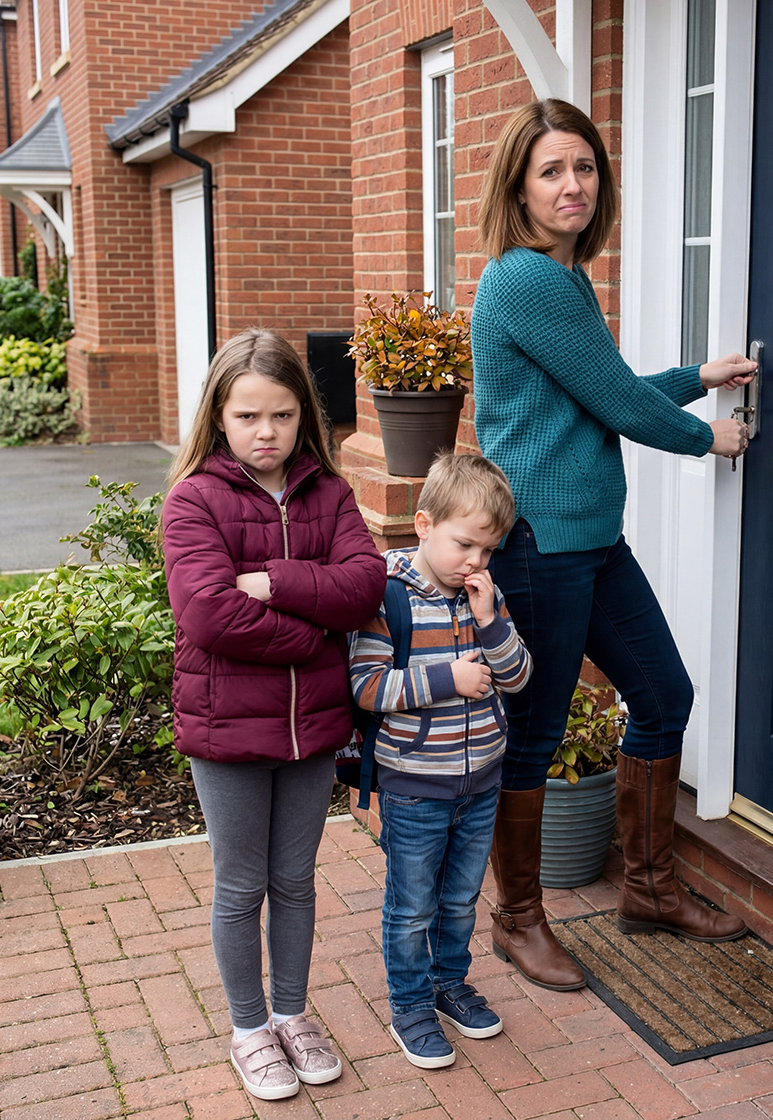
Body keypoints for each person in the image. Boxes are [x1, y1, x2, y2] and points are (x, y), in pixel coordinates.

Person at [470, 98, 756, 992]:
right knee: (535, 733)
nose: (573, 185)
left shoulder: (560, 281)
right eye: (552, 169)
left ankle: (648, 888)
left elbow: (601, 386)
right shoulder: (526, 280)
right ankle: (516, 918)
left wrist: (694, 377)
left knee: (663, 694)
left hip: (590, 541)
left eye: (585, 167)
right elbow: (621, 407)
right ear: (518, 183)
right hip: (540, 544)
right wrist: (709, 433)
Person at [162, 328, 386, 1101]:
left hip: (313, 730)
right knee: (241, 885)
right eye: (249, 416)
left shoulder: (330, 492)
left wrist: (278, 581)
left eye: (283, 416)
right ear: (218, 417)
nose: (267, 433)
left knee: (295, 880)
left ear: (305, 417)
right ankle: (250, 1029)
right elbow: (210, 617)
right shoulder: (194, 499)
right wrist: (319, 636)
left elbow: (364, 587)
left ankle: (292, 1014)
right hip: (226, 731)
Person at [349, 453, 533, 1069]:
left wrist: (488, 620)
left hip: (481, 781)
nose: (475, 563)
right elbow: (369, 687)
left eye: (488, 550)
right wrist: (447, 678)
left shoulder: (484, 595)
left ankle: (449, 983)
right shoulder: (388, 596)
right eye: (464, 545)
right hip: (414, 786)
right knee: (412, 904)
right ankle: (409, 1004)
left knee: (460, 899)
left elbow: (517, 676)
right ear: (424, 525)